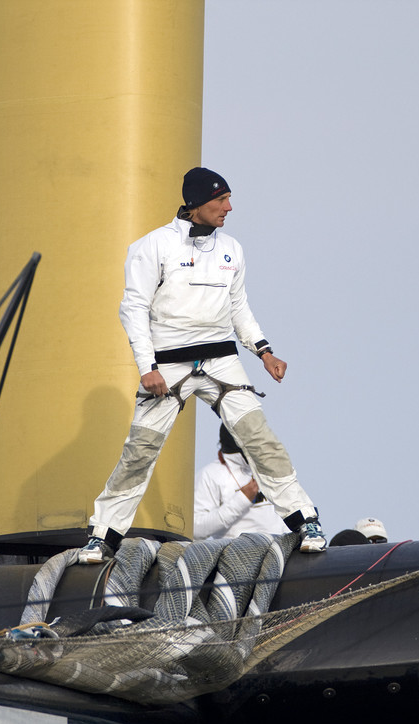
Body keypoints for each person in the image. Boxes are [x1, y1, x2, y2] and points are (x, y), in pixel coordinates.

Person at [79, 167, 325, 563]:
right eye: (220, 200)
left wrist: (264, 351)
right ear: (196, 204)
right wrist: (147, 367)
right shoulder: (152, 246)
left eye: (228, 199)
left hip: (222, 360)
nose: (229, 207)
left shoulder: (233, 248)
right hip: (168, 367)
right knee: (140, 452)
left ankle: (306, 521)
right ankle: (102, 536)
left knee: (261, 441)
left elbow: (238, 307)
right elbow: (134, 309)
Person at [195, 424, 289, 540]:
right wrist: (242, 500)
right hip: (239, 555)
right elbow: (196, 529)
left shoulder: (267, 467)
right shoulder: (210, 475)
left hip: (281, 552)